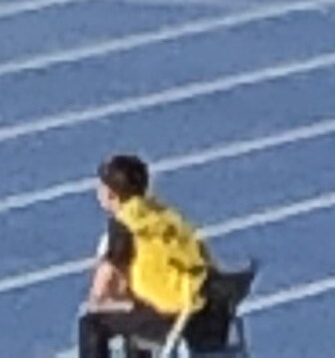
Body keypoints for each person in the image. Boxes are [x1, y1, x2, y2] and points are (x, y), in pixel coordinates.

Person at [81, 151, 240, 356]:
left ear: (111, 194)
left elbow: (104, 282)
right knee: (131, 310)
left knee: (92, 322)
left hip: (173, 315)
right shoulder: (166, 214)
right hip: (206, 310)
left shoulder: (125, 223)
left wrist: (96, 302)